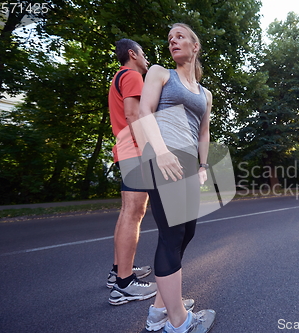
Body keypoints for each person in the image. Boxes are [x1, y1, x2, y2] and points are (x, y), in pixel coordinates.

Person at [135, 23, 216, 333]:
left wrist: (203, 166)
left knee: (186, 234)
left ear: (195, 46)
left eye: (180, 36)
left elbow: (204, 131)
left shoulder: (205, 93)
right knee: (171, 236)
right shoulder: (159, 73)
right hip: (162, 157)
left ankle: (159, 311)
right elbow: (144, 111)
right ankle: (180, 322)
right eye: (170, 39)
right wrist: (161, 151)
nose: (173, 41)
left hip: (187, 163)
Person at [106, 38, 158, 305]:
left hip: (125, 149)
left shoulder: (119, 76)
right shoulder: (132, 75)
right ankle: (125, 284)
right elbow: (133, 114)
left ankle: (118, 271)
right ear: (132, 54)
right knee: (134, 213)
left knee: (128, 212)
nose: (146, 58)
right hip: (135, 151)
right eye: (144, 53)